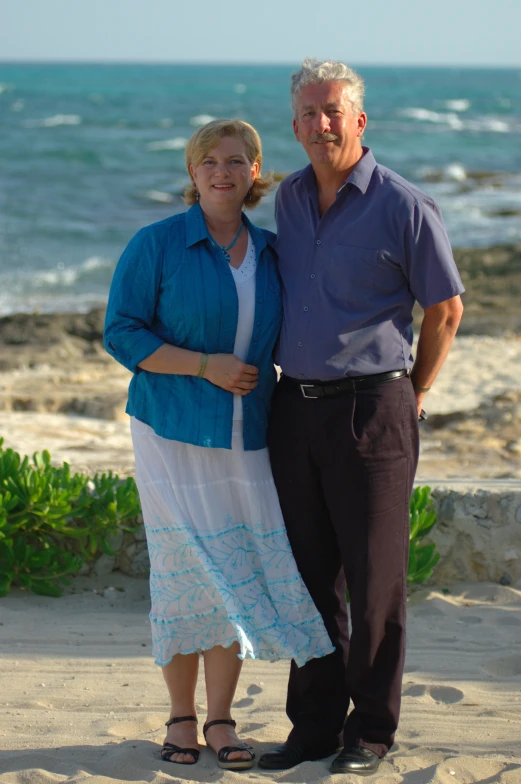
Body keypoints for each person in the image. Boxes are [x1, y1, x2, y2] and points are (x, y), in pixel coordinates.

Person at [104, 118, 334, 771]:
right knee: (185, 577)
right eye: (209, 161)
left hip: (250, 436)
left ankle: (221, 720)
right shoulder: (157, 244)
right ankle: (180, 718)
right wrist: (203, 366)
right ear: (192, 172)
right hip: (169, 432)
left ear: (255, 172)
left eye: (236, 161)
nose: (222, 172)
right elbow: (122, 332)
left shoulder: (273, 253)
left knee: (234, 574)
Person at [258, 59, 465, 777]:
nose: (320, 125)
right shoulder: (284, 198)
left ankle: (370, 731)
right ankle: (313, 727)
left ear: (358, 119)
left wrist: (412, 393)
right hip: (294, 409)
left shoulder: (403, 205)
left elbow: (444, 310)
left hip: (373, 407)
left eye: (333, 111)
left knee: (375, 580)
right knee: (307, 578)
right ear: (294, 126)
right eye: (308, 114)